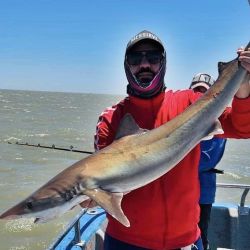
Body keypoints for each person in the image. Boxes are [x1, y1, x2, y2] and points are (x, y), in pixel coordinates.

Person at [94, 30, 250, 250]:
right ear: (126, 65)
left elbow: (242, 128)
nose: (145, 65)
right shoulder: (112, 119)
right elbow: (100, 180)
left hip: (185, 241)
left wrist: (243, 89)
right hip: (126, 242)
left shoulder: (190, 103)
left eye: (153, 58)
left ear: (163, 62)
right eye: (136, 59)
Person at [189, 73, 227, 250]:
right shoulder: (182, 119)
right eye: (195, 91)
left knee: (200, 233)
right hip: (181, 191)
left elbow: (207, 160)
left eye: (203, 92)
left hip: (203, 192)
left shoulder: (218, 125)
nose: (199, 96)